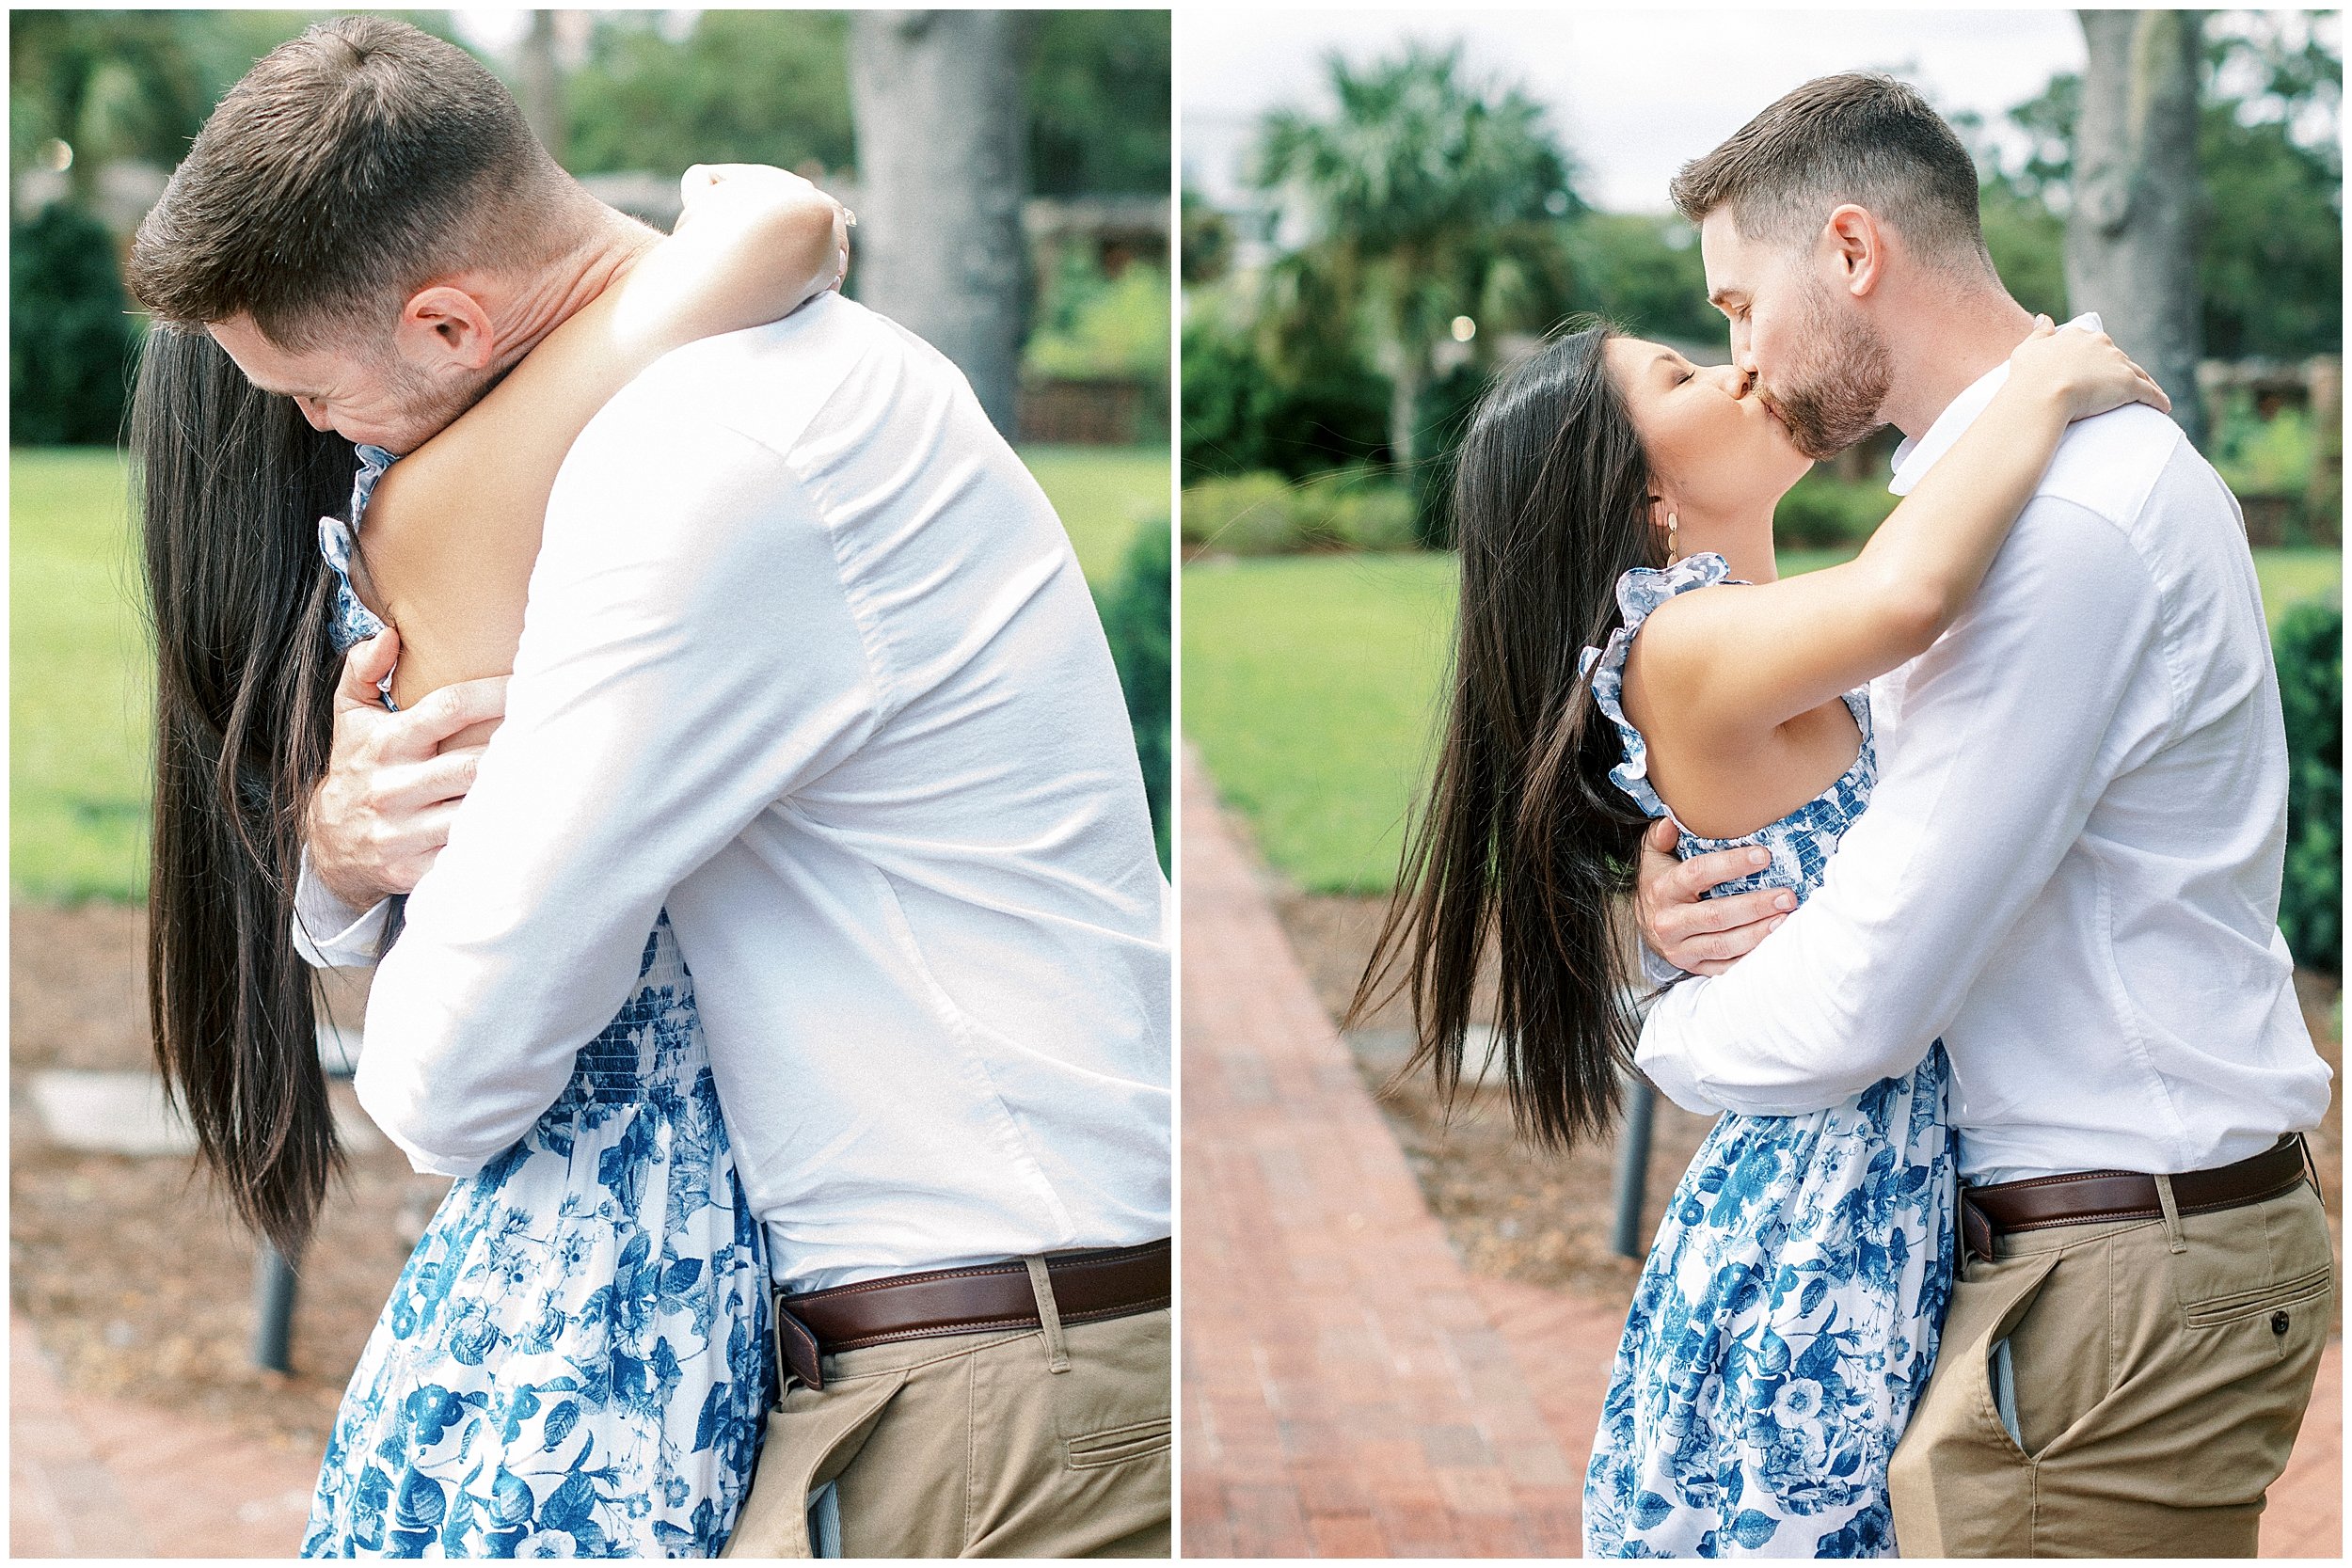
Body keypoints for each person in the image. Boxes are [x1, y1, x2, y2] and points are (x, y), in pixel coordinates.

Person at [129, 16, 1171, 1560]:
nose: (311, 437)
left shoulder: (690, 460)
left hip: (1001, 1381)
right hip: (966, 1350)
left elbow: (450, 1073)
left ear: (444, 327)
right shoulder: (720, 381)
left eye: (305, 390)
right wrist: (340, 853)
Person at [135, 25, 850, 1556]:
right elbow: (788, 228)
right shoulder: (446, 497)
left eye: (311, 393)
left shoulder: (444, 488)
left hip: (585, 1255)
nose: (316, 432)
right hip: (631, 1253)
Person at [1626, 74, 2332, 1557]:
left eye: (1740, 304)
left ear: (1852, 248)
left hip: (2120, 1265)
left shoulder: (2060, 523)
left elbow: (1868, 998)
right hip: (2095, 1252)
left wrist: (1669, 1032)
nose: (1740, 357)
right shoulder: (2004, 498)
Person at [1360, 293, 2164, 1547]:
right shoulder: (1677, 645)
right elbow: (1910, 595)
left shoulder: (1731, 637)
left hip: (1858, 1181)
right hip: (1829, 1213)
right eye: (1684, 379)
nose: (1739, 375)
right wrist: (2044, 384)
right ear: (1649, 504)